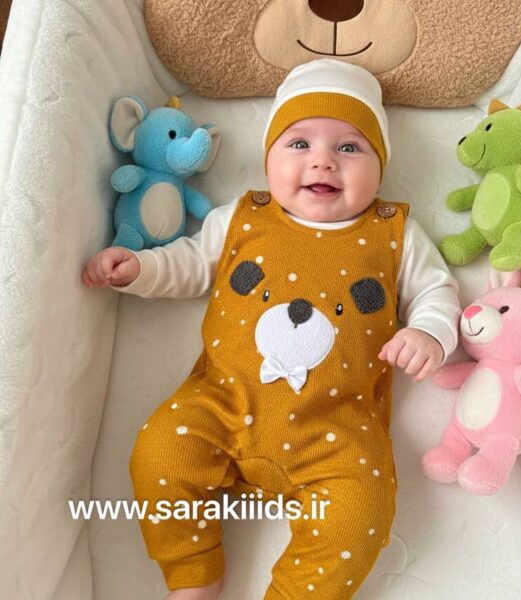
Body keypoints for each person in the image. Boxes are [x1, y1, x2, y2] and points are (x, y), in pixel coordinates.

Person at [82, 59, 461, 600]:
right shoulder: (242, 217)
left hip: (336, 429)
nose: (323, 161)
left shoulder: (394, 233)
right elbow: (188, 263)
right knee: (160, 451)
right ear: (268, 161)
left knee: (362, 512)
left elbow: (436, 291)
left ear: (381, 167)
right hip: (221, 404)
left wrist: (430, 333)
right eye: (299, 144)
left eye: (350, 147)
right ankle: (193, 572)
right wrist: (140, 268)